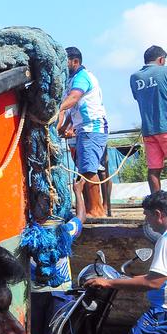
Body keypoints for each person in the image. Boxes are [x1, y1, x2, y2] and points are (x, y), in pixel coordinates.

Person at [87, 190, 167, 334]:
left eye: (146, 215)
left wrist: (110, 283)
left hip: (162, 313)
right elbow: (156, 277)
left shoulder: (165, 240)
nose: (146, 220)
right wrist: (125, 279)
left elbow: (154, 283)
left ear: (158, 214)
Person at [57, 46, 108, 220]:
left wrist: (56, 109)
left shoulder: (82, 77)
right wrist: (64, 127)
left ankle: (96, 210)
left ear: (75, 61)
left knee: (89, 169)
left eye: (66, 62)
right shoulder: (72, 80)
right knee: (84, 168)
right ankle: (90, 208)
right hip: (83, 129)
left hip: (92, 128)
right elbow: (74, 110)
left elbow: (73, 99)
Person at [131, 45, 167, 193]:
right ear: (161, 59)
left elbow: (137, 98)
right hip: (165, 127)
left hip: (148, 131)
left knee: (154, 170)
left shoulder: (135, 77)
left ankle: (157, 206)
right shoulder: (164, 72)